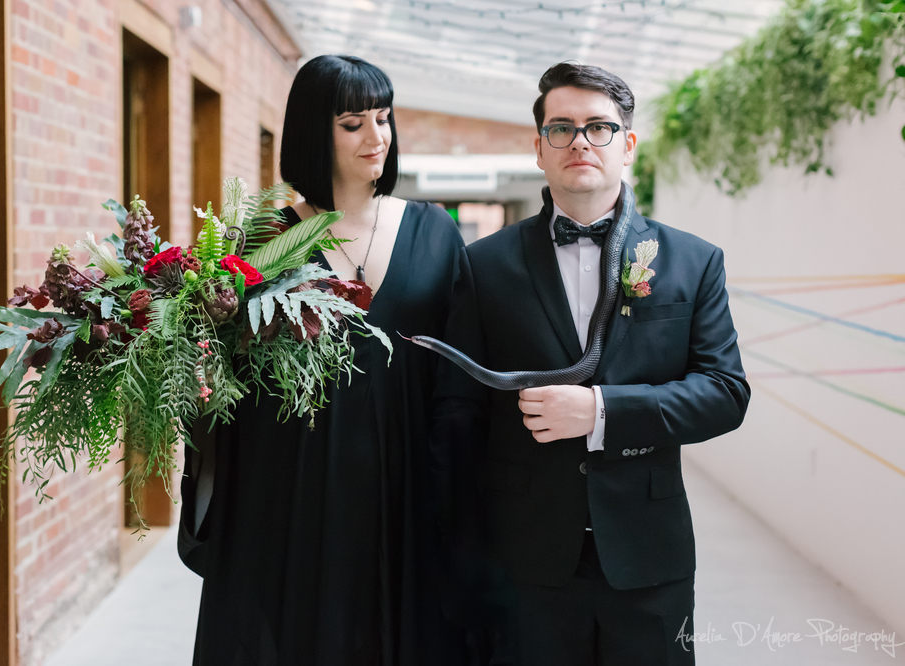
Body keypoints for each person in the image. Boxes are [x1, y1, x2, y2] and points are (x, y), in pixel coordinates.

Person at [432, 63, 751, 665]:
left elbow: (725, 392)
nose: (580, 140)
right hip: (523, 557)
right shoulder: (483, 265)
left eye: (599, 127)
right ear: (539, 149)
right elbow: (457, 409)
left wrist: (601, 411)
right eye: (562, 127)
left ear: (627, 145)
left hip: (647, 557)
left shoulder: (694, 261)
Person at [179, 55, 467, 666]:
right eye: (353, 123)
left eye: (384, 119)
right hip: (294, 486)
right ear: (315, 130)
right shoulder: (262, 241)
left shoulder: (436, 232)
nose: (377, 137)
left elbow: (459, 373)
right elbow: (224, 370)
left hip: (408, 482)